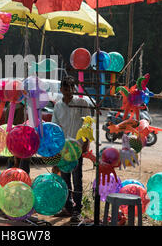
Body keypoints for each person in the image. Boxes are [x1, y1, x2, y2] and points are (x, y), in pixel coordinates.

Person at [51, 75, 92, 224]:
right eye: (66, 87)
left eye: (71, 87)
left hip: (77, 148)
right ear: (61, 89)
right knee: (65, 178)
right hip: (63, 149)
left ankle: (77, 210)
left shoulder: (82, 103)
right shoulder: (57, 106)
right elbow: (55, 128)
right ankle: (67, 207)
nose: (69, 90)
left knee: (77, 178)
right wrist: (55, 148)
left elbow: (87, 124)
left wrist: (86, 142)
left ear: (74, 88)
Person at [5, 101, 31, 175]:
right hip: (19, 142)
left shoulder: (11, 104)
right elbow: (19, 127)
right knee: (20, 171)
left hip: (11, 140)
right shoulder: (19, 107)